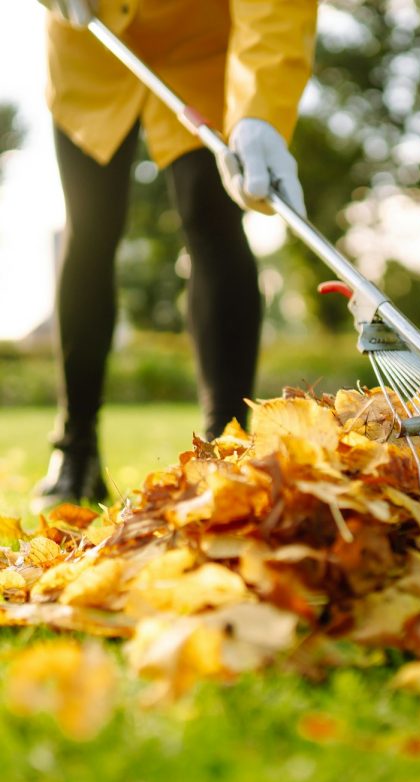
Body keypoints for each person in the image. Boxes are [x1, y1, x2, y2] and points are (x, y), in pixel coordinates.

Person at [32, 0, 317, 511]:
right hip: (91, 35)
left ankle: (224, 445)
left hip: (200, 43)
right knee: (91, 228)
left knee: (212, 217)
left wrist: (262, 113)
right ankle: (75, 450)